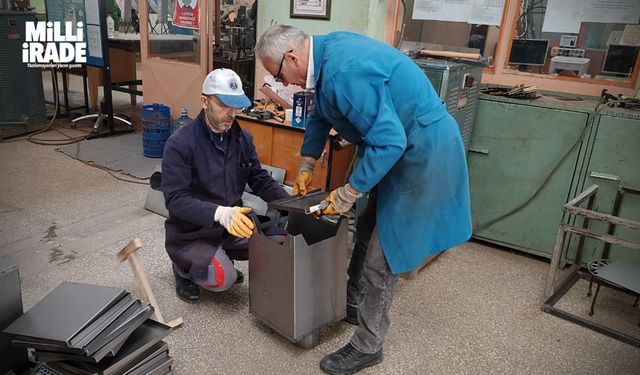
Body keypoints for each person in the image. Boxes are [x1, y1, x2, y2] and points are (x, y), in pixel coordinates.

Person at [255, 25, 472, 374]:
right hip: (397, 147)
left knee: (382, 256)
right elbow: (321, 113)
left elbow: (390, 142)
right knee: (368, 225)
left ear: (292, 57)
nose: (283, 83)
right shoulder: (326, 54)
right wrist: (308, 163)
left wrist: (347, 192)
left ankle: (368, 344)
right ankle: (353, 303)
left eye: (279, 74)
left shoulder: (344, 72)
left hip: (421, 151)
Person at [161, 68, 289, 303]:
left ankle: (219, 255)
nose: (230, 114)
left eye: (235, 107)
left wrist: (292, 204)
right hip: (192, 232)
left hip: (232, 224)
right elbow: (175, 200)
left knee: (280, 241)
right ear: (204, 101)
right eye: (223, 106)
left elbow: (259, 178)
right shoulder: (180, 144)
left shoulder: (242, 139)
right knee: (224, 280)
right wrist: (219, 213)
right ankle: (183, 268)